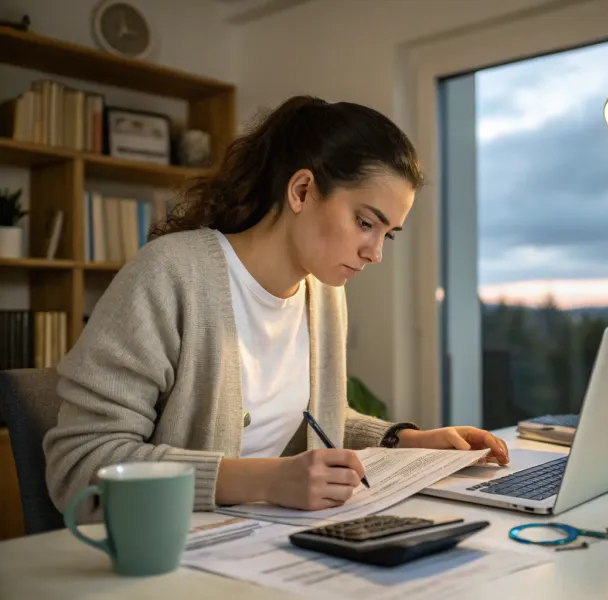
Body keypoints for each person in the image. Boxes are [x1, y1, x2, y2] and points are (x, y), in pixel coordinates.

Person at [43, 95, 509, 524]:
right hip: (174, 550)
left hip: (267, 542)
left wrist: (404, 441)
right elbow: (82, 462)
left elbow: (313, 418)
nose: (374, 253)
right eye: (365, 223)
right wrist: (264, 481)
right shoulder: (170, 275)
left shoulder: (323, 293)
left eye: (386, 234)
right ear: (302, 191)